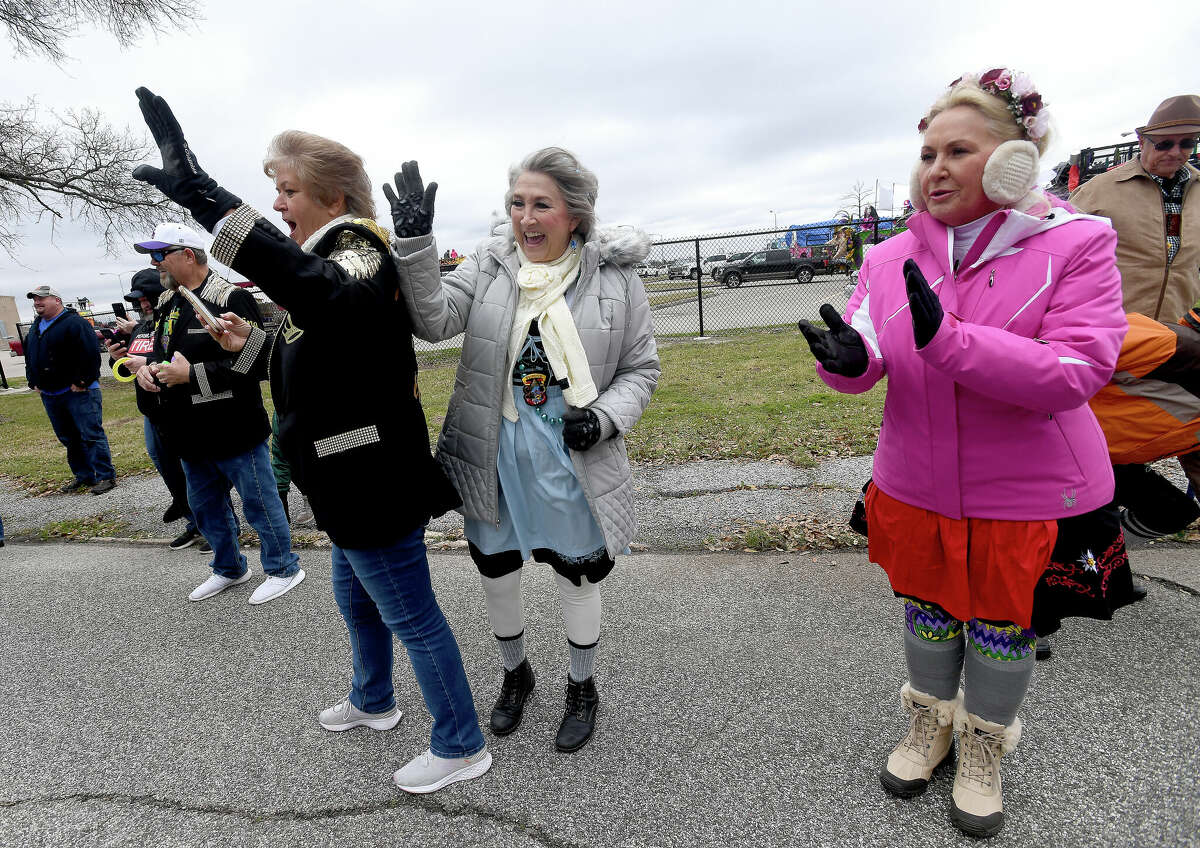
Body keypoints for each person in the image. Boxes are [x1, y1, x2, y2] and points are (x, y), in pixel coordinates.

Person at [797, 68, 1131, 837]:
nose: (935, 168)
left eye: (957, 150)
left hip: (1026, 494)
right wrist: (848, 363)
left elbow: (1079, 370)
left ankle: (984, 746)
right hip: (915, 483)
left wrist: (952, 344)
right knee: (930, 617)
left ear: (1015, 159)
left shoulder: (1075, 244)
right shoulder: (887, 259)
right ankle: (930, 725)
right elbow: (872, 347)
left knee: (1001, 630)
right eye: (926, 152)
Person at [130, 87, 488, 794]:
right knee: (357, 602)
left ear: (333, 197)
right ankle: (374, 700)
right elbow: (315, 368)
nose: (280, 204)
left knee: (413, 616)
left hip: (370, 482)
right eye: (275, 191)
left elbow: (335, 298)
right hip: (341, 480)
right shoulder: (322, 267)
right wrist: (248, 344)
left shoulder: (357, 249)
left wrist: (207, 197)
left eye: (288, 190)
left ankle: (461, 743)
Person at [389, 148, 660, 752]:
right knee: (497, 573)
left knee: (576, 574)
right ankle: (516, 674)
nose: (527, 218)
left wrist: (605, 419)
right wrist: (415, 245)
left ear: (575, 215)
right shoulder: (491, 265)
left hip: (569, 458)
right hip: (493, 452)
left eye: (543, 205)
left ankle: (582, 685)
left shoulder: (615, 280)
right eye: (517, 203)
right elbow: (433, 321)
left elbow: (641, 369)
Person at [130, 221, 304, 605]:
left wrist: (191, 375)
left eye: (161, 255)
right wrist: (148, 368)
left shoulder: (229, 298)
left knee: (259, 502)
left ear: (187, 255)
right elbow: (163, 350)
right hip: (187, 431)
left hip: (232, 426)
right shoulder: (169, 302)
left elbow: (256, 365)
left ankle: (283, 567)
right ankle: (229, 568)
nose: (156, 264)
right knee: (206, 507)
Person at [1071, 94, 1200, 499]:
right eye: (1165, 143)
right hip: (1123, 339)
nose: (1175, 152)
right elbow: (1061, 253)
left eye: (1187, 143)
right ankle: (1109, 533)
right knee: (1112, 440)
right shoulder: (1101, 192)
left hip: (1182, 341)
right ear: (1143, 140)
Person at [102, 268, 205, 550]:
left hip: (178, 407)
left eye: (146, 297)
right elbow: (127, 368)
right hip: (151, 412)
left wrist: (145, 360)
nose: (143, 304)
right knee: (168, 468)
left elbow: (182, 357)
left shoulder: (173, 321)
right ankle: (192, 520)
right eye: (139, 300)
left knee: (194, 470)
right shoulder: (139, 328)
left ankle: (215, 526)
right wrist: (117, 359)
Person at [24, 284, 117, 495]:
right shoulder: (36, 326)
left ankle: (105, 476)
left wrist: (82, 381)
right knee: (69, 438)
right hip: (50, 394)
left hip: (79, 392)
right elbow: (30, 355)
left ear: (57, 300)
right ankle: (84, 476)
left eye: (42, 299)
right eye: (35, 300)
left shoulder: (75, 323)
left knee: (91, 434)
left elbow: (90, 353)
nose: (37, 302)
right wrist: (33, 380)